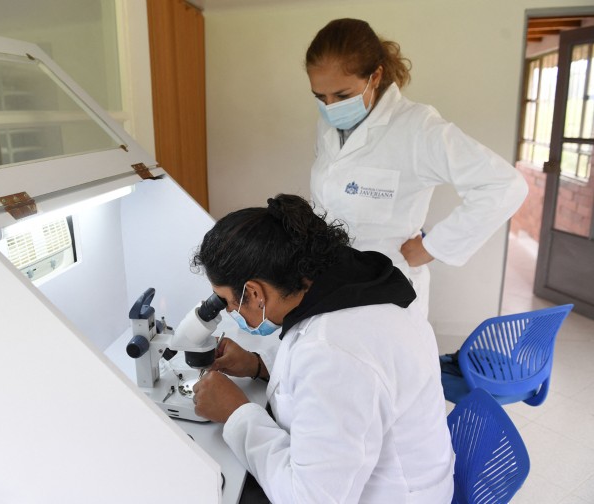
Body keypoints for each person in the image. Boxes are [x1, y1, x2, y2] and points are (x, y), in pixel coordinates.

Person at [191, 194, 454, 503]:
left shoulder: (333, 351)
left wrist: (236, 413)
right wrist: (259, 366)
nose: (232, 312)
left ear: (254, 293)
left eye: (228, 302)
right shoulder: (352, 284)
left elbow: (310, 498)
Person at [306, 18, 528, 315]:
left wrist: (432, 247)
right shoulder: (327, 125)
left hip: (386, 287)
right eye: (321, 97)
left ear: (375, 76)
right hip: (329, 278)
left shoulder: (418, 127)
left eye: (342, 96)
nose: (331, 106)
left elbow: (504, 185)